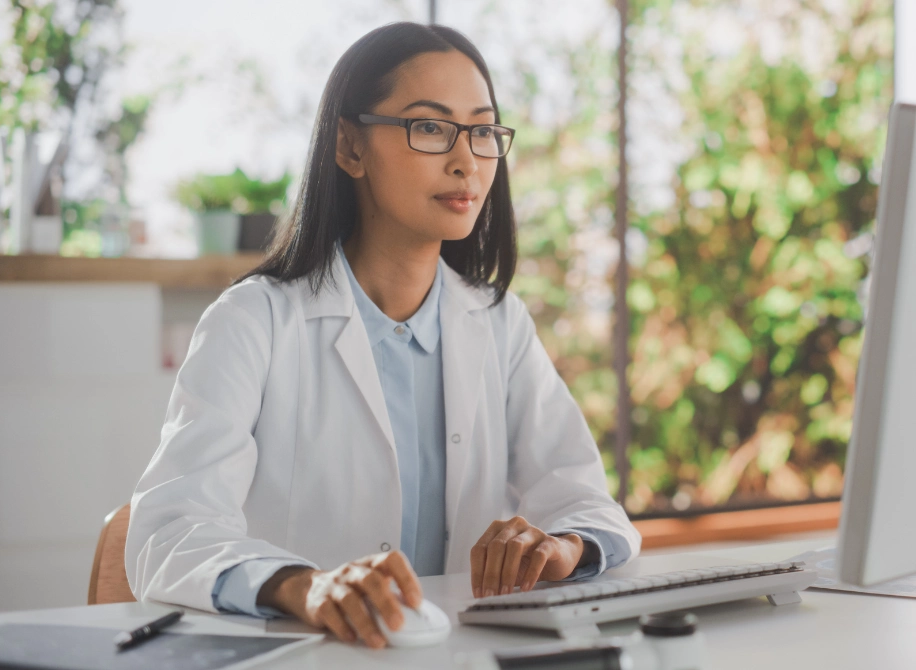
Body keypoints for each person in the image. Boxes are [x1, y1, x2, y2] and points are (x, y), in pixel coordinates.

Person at [124, 22, 640, 649]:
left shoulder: (499, 324)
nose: (465, 160)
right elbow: (168, 533)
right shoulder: (252, 322)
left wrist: (560, 547)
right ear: (350, 146)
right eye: (429, 127)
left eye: (482, 131)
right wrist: (302, 586)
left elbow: (590, 506)